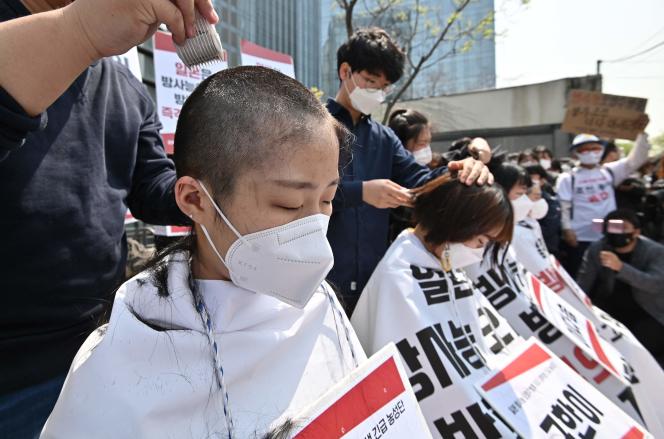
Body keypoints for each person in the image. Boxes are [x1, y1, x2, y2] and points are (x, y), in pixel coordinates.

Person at [41, 66, 365, 438]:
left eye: (327, 199)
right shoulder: (126, 352)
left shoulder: (320, 303)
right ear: (195, 199)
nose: (313, 228)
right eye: (290, 204)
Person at [0, 0, 213, 435]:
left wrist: (215, 192)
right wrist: (79, 32)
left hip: (89, 348)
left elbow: (153, 188)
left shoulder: (125, 87)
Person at [325, 27, 491, 313]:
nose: (377, 93)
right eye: (370, 81)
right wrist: (362, 192)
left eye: (384, 87)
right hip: (322, 281)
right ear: (345, 71)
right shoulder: (314, 125)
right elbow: (300, 194)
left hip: (375, 282)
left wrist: (460, 168)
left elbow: (423, 181)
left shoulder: (384, 138)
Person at [351, 173, 517, 437]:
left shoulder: (438, 258)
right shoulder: (400, 279)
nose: (479, 253)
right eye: (481, 242)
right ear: (458, 222)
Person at [556, 133, 651, 278]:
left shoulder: (609, 171)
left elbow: (635, 160)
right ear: (576, 153)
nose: (591, 153)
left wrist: (641, 135)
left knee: (612, 273)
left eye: (596, 148)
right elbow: (564, 206)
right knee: (584, 273)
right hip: (582, 233)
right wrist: (567, 229)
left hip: (610, 230)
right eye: (585, 150)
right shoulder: (568, 178)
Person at [577, 209, 664, 363]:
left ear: (636, 232)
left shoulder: (655, 252)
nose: (617, 233)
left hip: (647, 311)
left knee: (642, 352)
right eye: (613, 228)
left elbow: (655, 284)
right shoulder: (598, 248)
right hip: (611, 308)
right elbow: (584, 282)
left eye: (623, 228)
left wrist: (621, 268)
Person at [525, 164, 561, 256]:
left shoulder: (550, 202)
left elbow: (549, 228)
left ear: (542, 180)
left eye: (532, 176)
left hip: (546, 248)